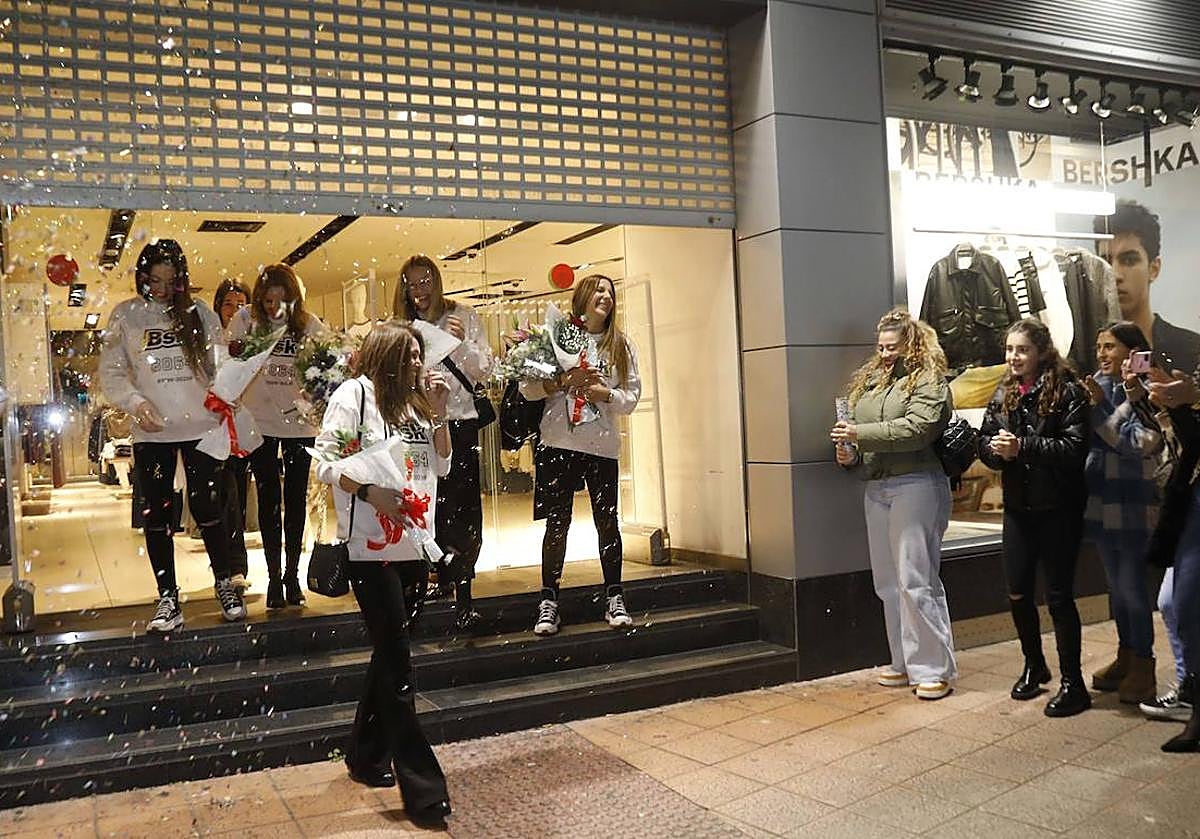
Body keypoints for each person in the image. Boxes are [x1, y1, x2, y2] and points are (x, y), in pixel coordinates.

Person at [313, 319, 452, 824]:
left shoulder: (417, 404)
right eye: (411, 355)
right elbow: (325, 463)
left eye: (421, 355)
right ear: (387, 355)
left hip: (416, 543)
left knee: (391, 654)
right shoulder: (357, 394)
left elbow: (442, 469)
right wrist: (371, 492)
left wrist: (438, 417)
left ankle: (366, 755)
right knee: (399, 665)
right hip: (370, 549)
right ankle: (424, 787)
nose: (419, 363)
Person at [99, 239, 244, 631]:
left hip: (201, 429)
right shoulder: (126, 316)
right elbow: (111, 371)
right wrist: (134, 401)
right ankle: (168, 598)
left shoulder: (199, 313)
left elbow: (220, 366)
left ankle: (224, 582)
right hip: (152, 431)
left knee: (209, 509)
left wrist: (225, 395)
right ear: (142, 278)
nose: (161, 289)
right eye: (154, 280)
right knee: (157, 515)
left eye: (170, 280)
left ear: (182, 279)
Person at [830, 309, 957, 700]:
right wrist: (851, 452)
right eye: (880, 346)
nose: (885, 353)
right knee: (888, 582)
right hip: (879, 485)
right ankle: (904, 662)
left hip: (917, 483)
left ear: (911, 343)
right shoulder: (872, 379)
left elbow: (918, 430)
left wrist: (860, 434)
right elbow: (865, 431)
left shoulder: (930, 379)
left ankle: (933, 669)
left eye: (892, 346)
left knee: (916, 579)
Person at [977, 318, 1090, 716]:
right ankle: (1034, 665)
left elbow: (1074, 450)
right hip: (1019, 510)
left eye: (1021, 350)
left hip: (1058, 509)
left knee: (1059, 597)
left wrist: (1021, 447)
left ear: (1041, 352)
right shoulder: (1003, 392)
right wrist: (994, 450)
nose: (1013, 358)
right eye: (1009, 350)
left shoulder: (1068, 390)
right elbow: (986, 442)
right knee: (1018, 591)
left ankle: (1073, 684)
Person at [520, 275, 641, 636]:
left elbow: (631, 398)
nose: (605, 296)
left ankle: (614, 596)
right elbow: (527, 388)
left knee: (608, 523)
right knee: (557, 525)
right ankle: (548, 601)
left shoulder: (621, 344)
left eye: (610, 291)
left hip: (602, 447)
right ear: (582, 296)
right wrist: (560, 382)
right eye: (598, 289)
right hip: (558, 443)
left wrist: (605, 393)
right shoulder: (555, 337)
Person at [394, 254, 493, 631]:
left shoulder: (464, 316)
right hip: (417, 429)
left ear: (437, 282)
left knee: (464, 509)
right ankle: (427, 582)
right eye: (412, 284)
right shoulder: (402, 327)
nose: (419, 291)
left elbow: (485, 368)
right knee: (424, 507)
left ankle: (463, 588)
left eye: (425, 282)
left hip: (460, 423)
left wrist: (459, 343)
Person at [228, 264, 325, 609]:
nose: (274, 308)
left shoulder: (309, 326)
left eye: (281, 301)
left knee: (295, 498)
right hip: (260, 422)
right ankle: (272, 578)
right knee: (268, 500)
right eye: (267, 301)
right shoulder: (245, 321)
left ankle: (292, 576)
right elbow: (229, 359)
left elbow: (328, 367)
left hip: (299, 423)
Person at [1080, 322, 1161, 704]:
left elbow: (1138, 443)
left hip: (1134, 499)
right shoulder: (1098, 381)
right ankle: (1126, 654)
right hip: (1101, 497)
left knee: (1131, 587)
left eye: (1109, 346)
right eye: (1099, 346)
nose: (1102, 354)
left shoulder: (1152, 389)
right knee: (1116, 586)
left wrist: (1100, 407)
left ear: (1133, 351)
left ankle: (1144, 665)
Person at [1145, 365, 1200, 750]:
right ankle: (1195, 710)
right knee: (1180, 606)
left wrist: (1184, 403)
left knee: (1184, 605)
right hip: (1190, 503)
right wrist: (1171, 404)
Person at [1095, 200, 1200, 376]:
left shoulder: (1189, 347)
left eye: (1129, 260)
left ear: (1154, 268)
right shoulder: (1090, 352)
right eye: (1105, 262)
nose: (1114, 274)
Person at [212, 279, 253, 592]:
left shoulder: (253, 345)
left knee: (236, 496)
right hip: (214, 431)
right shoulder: (209, 344)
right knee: (222, 498)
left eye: (241, 305)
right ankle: (227, 566)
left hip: (246, 431)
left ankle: (235, 567)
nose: (235, 310)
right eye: (229, 304)